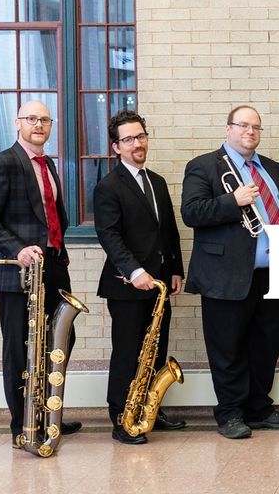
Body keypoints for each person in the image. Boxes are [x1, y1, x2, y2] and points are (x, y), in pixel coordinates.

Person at [181, 106, 279, 439]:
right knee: (228, 347)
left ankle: (259, 408)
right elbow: (191, 212)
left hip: (273, 272)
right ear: (228, 128)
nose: (250, 131)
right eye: (243, 125)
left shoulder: (272, 169)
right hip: (226, 273)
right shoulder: (204, 166)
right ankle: (230, 412)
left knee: (266, 345)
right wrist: (232, 200)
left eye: (256, 127)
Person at [0, 101, 83, 444]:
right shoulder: (2, 162)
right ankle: (22, 428)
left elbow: (54, 217)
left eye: (44, 120)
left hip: (52, 266)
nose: (39, 124)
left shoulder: (47, 163)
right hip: (18, 271)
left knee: (57, 344)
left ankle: (49, 417)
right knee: (21, 350)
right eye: (31, 119)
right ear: (17, 123)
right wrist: (17, 249)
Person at [94, 109, 187, 444]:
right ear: (116, 147)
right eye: (129, 139)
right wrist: (134, 271)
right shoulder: (108, 186)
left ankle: (149, 410)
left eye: (141, 136)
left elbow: (168, 232)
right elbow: (109, 236)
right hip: (126, 286)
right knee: (128, 353)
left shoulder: (157, 181)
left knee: (156, 351)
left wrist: (175, 268)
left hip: (160, 285)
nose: (137, 144)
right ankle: (121, 419)